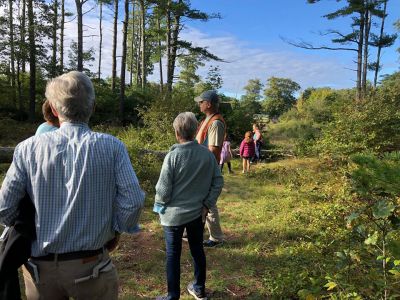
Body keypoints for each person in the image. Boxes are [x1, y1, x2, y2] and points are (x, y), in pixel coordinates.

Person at [0, 71, 145, 300]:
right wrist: (115, 229)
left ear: (55, 110)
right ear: (93, 107)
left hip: (41, 271)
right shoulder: (112, 147)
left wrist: (29, 226)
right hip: (91, 267)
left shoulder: (27, 148)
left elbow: (4, 208)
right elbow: (133, 201)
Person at [154, 112, 223, 300]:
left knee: (172, 255)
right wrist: (207, 204)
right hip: (196, 215)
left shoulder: (173, 156)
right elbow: (218, 181)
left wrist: (159, 205)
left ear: (177, 133)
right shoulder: (207, 156)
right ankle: (199, 288)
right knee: (197, 250)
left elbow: (163, 189)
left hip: (172, 217)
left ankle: (172, 295)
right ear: (195, 132)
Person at [194, 90, 225, 248]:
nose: (199, 104)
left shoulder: (216, 123)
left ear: (209, 104)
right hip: (203, 166)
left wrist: (202, 168)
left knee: (209, 203)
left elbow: (213, 150)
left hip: (207, 168)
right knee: (202, 201)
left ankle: (217, 238)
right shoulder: (208, 119)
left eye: (201, 101)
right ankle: (201, 232)